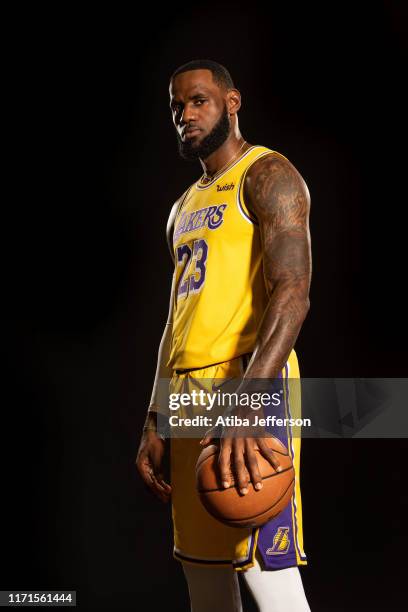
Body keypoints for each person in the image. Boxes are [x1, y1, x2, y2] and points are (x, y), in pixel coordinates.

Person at [136, 59, 312, 612]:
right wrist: (156, 414)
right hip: (187, 395)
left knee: (268, 574)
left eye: (198, 101)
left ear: (231, 103)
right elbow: (176, 320)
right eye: (176, 107)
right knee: (204, 578)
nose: (185, 115)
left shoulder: (268, 175)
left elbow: (293, 291)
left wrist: (249, 399)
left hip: (248, 381)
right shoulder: (182, 208)